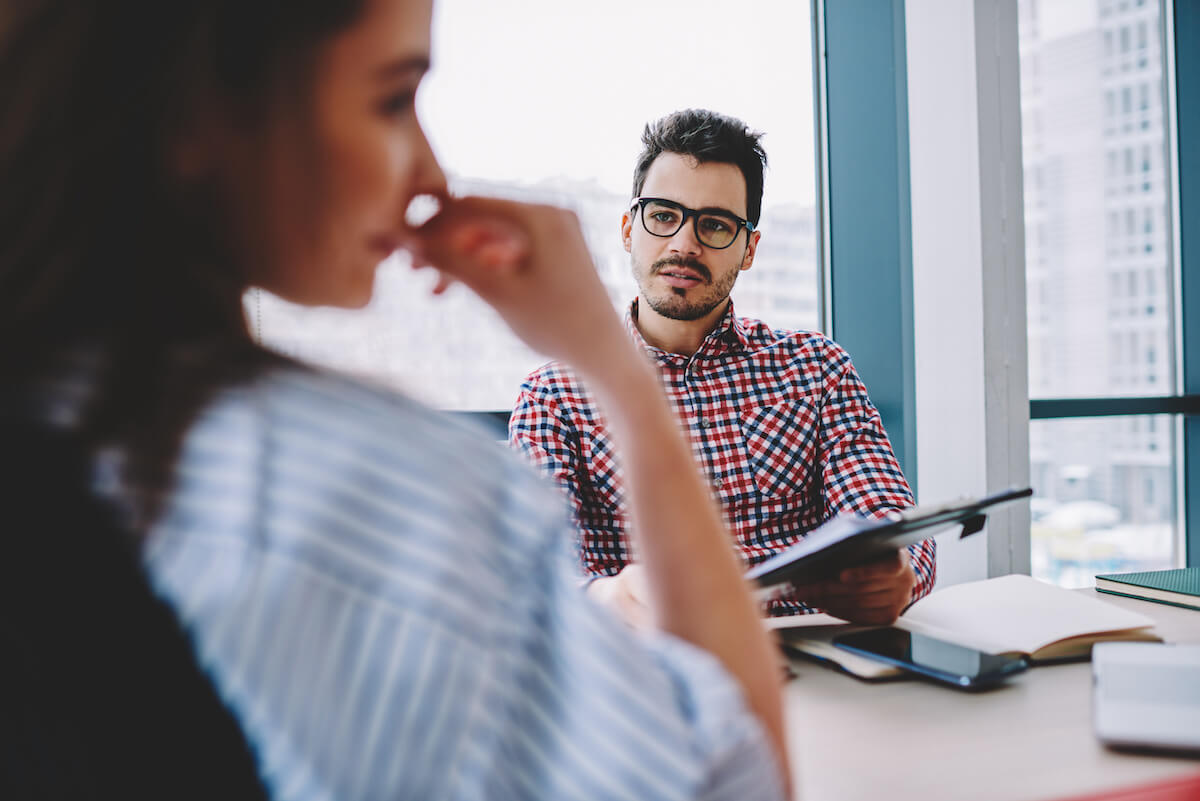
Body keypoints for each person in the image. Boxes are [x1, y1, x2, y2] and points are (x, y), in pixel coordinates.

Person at [0, 3, 788, 799]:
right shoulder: (383, 499)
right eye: (391, 98)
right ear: (192, 109)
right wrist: (621, 376)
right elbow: (741, 779)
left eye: (716, 225)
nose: (432, 176)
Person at [510, 109, 936, 624]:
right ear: (628, 229)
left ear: (749, 248)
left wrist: (893, 575)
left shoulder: (816, 368)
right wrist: (604, 597)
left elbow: (888, 520)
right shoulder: (554, 396)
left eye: (714, 224)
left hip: (821, 657)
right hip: (655, 670)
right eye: (663, 216)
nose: (683, 244)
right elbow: (532, 572)